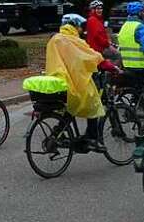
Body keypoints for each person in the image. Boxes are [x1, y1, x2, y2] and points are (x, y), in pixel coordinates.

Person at [47, 14, 116, 152]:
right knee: (93, 101)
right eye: (80, 26)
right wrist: (110, 66)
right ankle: (92, 138)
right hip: (71, 82)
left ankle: (56, 134)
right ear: (74, 26)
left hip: (58, 81)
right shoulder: (72, 41)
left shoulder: (55, 39)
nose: (81, 30)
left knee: (72, 107)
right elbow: (90, 56)